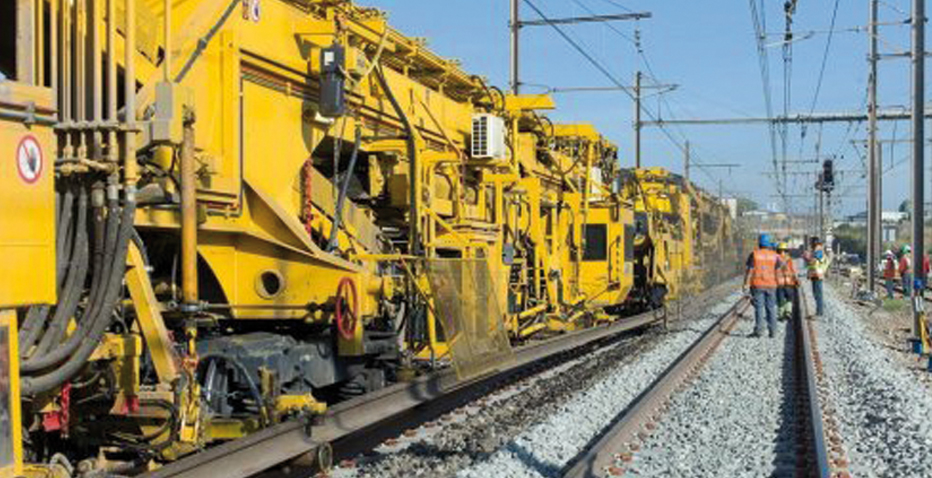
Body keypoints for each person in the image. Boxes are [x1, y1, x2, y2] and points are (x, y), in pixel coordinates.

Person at [743, 233, 782, 338]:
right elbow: (778, 271)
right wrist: (779, 284)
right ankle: (773, 332)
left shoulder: (754, 254)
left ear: (759, 243)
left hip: (758, 285)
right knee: (771, 308)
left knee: (759, 308)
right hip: (771, 285)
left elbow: (749, 271)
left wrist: (745, 284)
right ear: (769, 244)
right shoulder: (775, 255)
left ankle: (759, 331)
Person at [776, 242, 799, 321]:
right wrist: (796, 280)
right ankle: (788, 312)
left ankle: (781, 315)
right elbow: (794, 271)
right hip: (789, 283)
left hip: (779, 283)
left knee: (780, 299)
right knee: (789, 298)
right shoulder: (790, 260)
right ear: (786, 250)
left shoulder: (775, 259)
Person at [807, 239, 828, 317]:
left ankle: (819, 312)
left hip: (818, 275)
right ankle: (818, 311)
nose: (811, 246)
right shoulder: (816, 251)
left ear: (815, 244)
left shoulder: (819, 251)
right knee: (816, 294)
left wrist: (808, 257)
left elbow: (813, 261)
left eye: (812, 244)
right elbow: (812, 264)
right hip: (814, 275)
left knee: (818, 294)